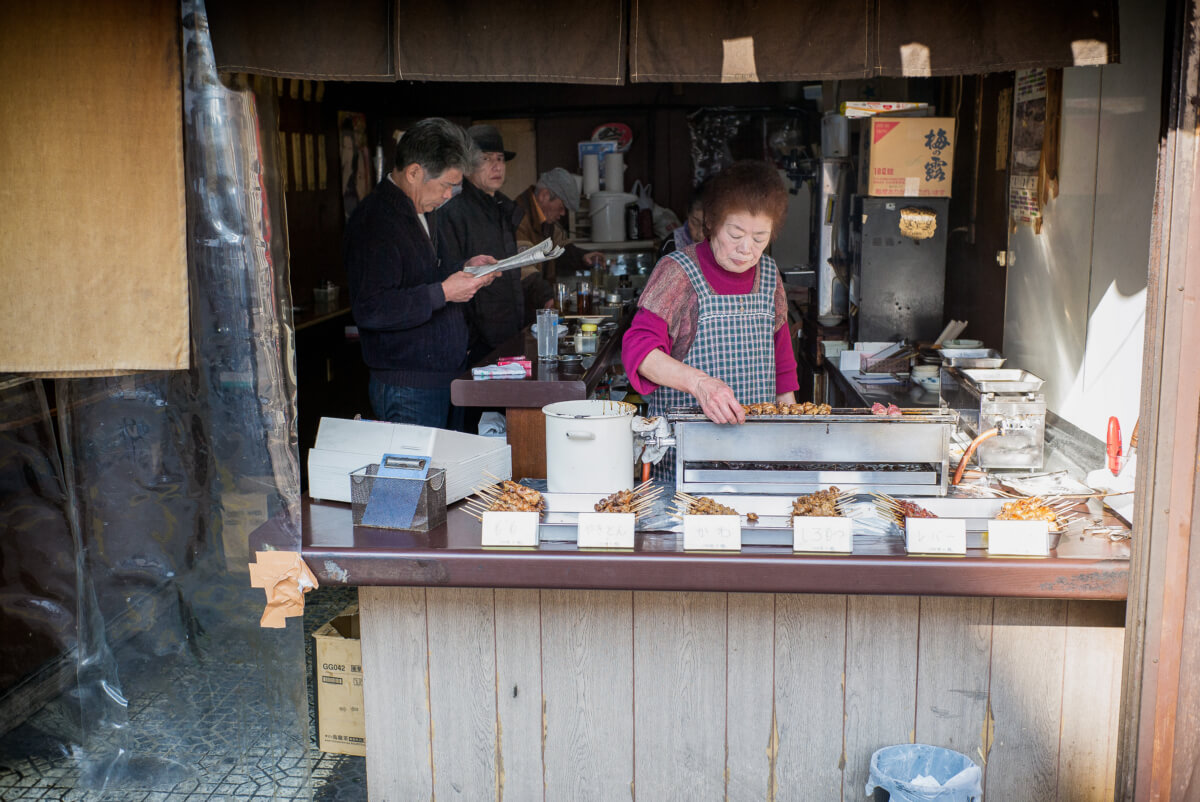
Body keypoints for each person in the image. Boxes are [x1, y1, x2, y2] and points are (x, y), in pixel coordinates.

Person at [621, 161, 799, 474]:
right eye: (735, 234)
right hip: (686, 457)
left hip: (756, 453)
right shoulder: (677, 272)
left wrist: (794, 438)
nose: (746, 249)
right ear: (712, 223)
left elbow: (782, 367)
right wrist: (700, 384)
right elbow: (638, 350)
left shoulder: (770, 275)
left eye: (760, 238)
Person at [344, 117, 498, 429]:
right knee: (418, 478)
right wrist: (444, 292)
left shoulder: (424, 211)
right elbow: (371, 308)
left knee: (448, 477)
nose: (447, 196)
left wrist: (465, 270)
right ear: (414, 172)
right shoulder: (376, 220)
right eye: (446, 185)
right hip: (407, 387)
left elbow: (423, 276)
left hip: (444, 376)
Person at [437, 125, 525, 363]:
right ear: (467, 167)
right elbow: (450, 272)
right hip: (475, 343)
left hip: (507, 333)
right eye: (485, 159)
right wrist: (466, 340)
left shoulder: (502, 208)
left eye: (500, 159)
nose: (496, 166)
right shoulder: (453, 211)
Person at [513, 167, 604, 318]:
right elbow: (524, 269)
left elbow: (563, 248)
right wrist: (549, 297)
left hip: (537, 307)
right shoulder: (518, 219)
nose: (562, 214)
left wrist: (584, 256)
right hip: (520, 309)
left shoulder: (546, 221)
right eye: (561, 207)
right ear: (544, 195)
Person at [657, 181, 707, 261]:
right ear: (687, 214)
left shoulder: (727, 247)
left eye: (707, 226)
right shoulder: (671, 245)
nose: (700, 234)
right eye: (694, 222)